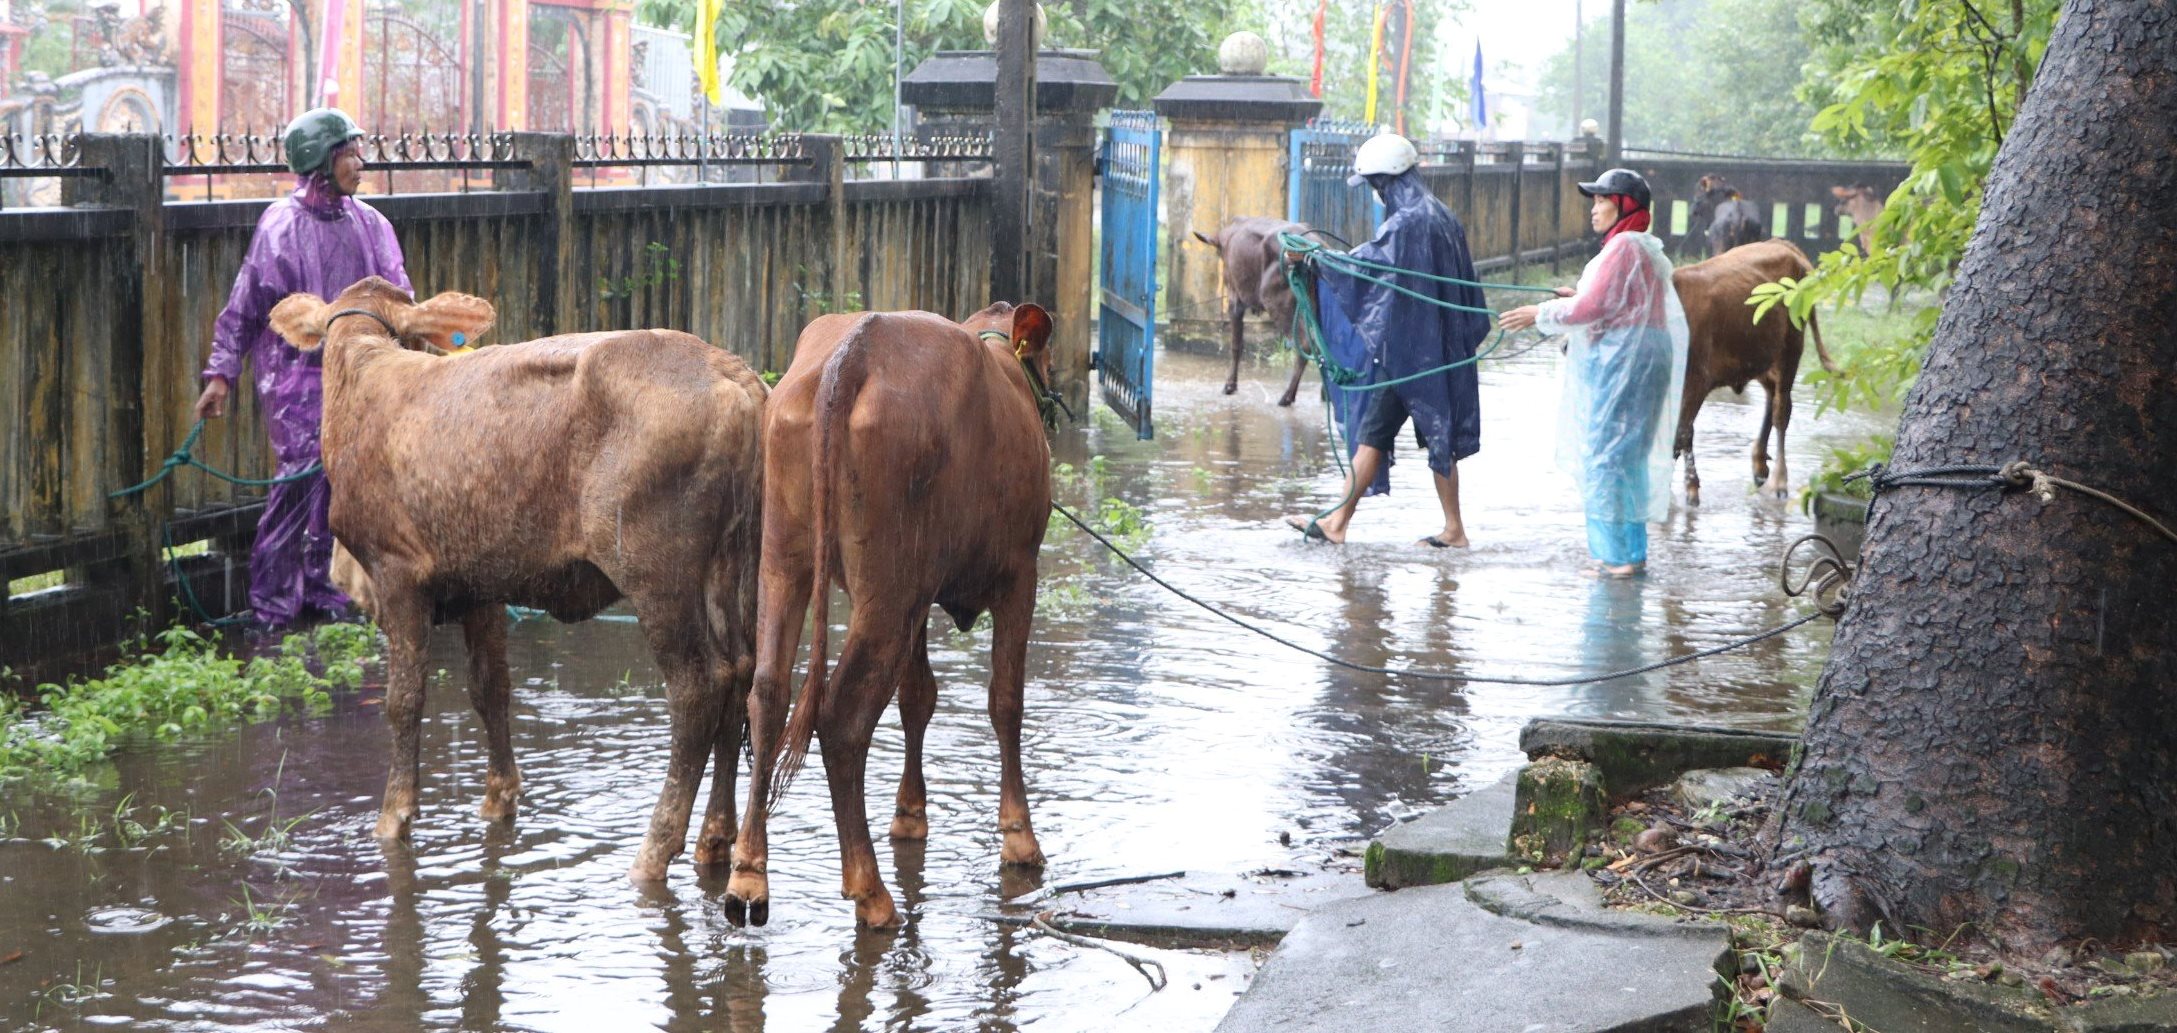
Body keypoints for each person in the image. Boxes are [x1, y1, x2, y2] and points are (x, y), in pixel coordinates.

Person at [192, 108, 410, 627]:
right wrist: (221, 375)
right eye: (349, 153)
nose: (360, 163)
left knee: (344, 485)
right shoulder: (280, 227)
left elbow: (399, 296)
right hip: (296, 380)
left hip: (358, 376)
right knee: (300, 482)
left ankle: (325, 590)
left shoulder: (372, 225)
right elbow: (244, 308)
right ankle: (272, 602)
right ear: (320, 160)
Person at [1281, 133, 1491, 548]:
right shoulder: (1441, 215)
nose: (1374, 192)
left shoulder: (1406, 222)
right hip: (1436, 348)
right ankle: (1444, 528)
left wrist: (1313, 258)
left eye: (1373, 184)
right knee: (1414, 434)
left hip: (1409, 354)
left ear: (1385, 181)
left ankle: (1348, 524)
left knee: (1394, 433)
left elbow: (1365, 270)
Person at [1498, 168, 1688, 578]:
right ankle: (1628, 553)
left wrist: (1540, 313)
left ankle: (1615, 558)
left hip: (1627, 360)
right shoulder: (1639, 247)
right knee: (1627, 457)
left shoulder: (1623, 247)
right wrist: (1577, 297)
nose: (1594, 209)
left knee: (1607, 455)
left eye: (1602, 200)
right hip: (1644, 354)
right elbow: (1617, 301)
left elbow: (1593, 309)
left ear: (1624, 206)